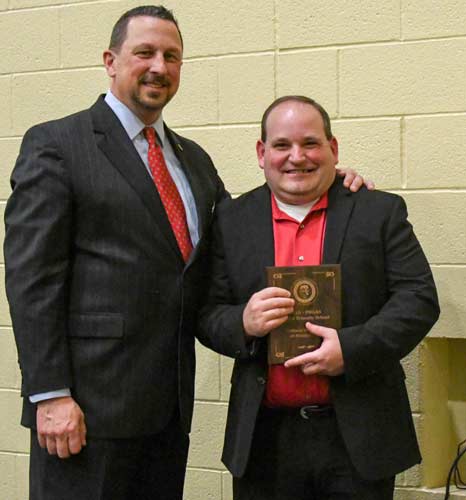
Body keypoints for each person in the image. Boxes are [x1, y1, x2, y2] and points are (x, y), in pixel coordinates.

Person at [4, 6, 367, 500]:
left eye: (171, 56)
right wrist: (50, 394)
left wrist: (333, 185)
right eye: (145, 52)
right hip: (86, 410)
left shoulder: (191, 160)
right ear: (111, 60)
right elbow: (33, 278)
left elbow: (240, 228)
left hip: (166, 409)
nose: (159, 66)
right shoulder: (58, 144)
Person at [199, 95, 440, 500]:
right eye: (281, 145)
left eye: (310, 143)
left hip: (356, 437)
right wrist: (243, 321)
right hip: (264, 439)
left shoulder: (377, 211)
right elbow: (206, 314)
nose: (297, 157)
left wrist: (351, 348)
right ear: (262, 153)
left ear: (333, 148)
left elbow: (418, 299)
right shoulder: (231, 220)